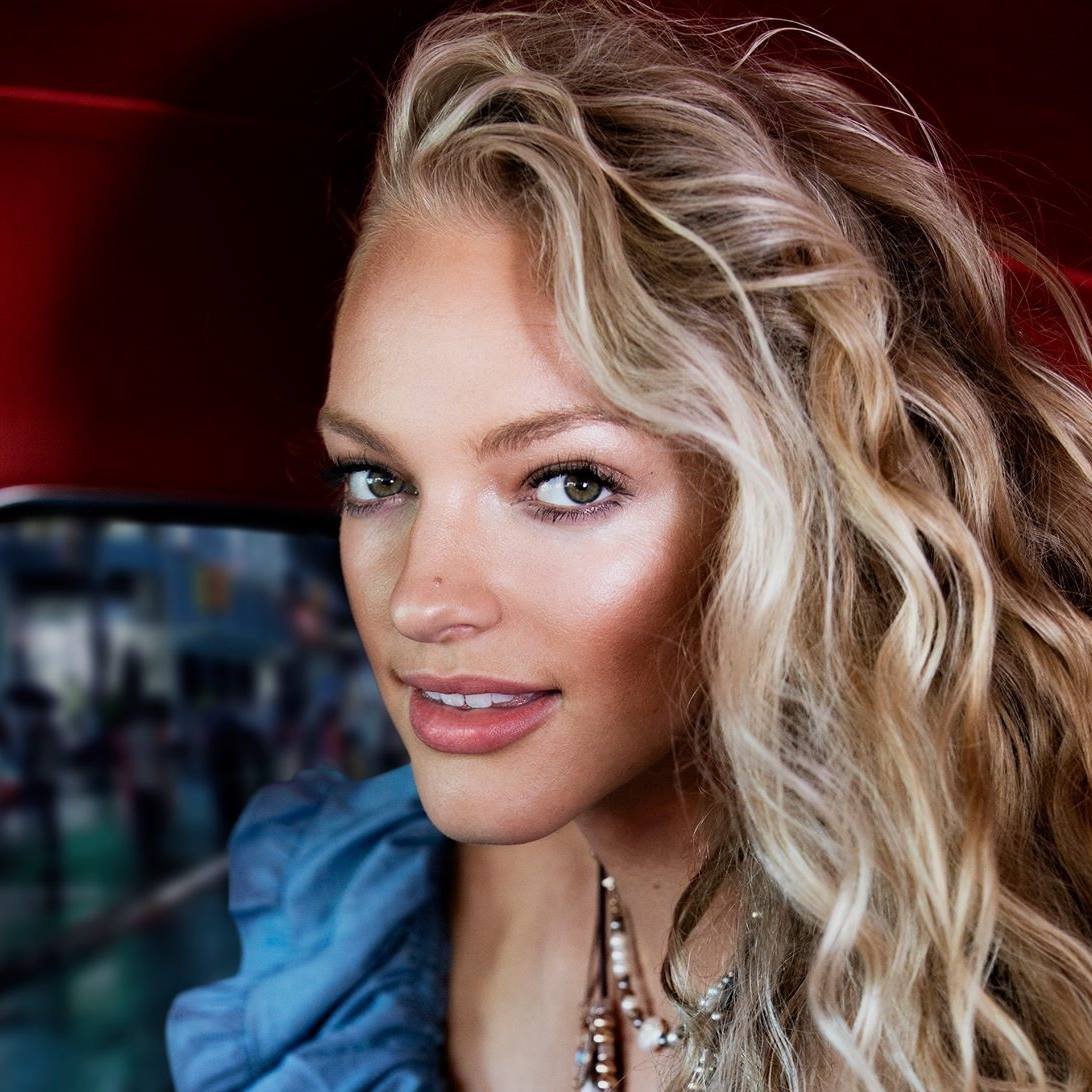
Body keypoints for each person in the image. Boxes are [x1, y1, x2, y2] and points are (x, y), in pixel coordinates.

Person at [165, 1, 1092, 1089]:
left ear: (799, 514)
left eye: (570, 483)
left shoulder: (1011, 1000)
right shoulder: (369, 912)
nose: (420, 599)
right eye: (378, 480)